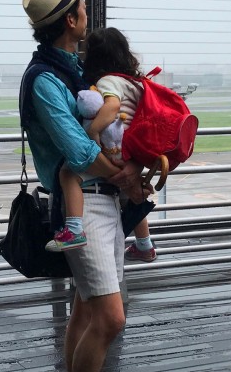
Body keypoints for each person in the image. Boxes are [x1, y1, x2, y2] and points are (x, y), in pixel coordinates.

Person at [20, 0, 151, 372]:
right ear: (69, 19)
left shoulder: (72, 69)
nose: (86, 14)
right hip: (81, 208)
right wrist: (126, 177)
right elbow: (76, 150)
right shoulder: (47, 81)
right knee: (111, 318)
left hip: (104, 204)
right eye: (80, 7)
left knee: (83, 314)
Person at [48, 26, 158, 263]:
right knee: (131, 190)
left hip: (114, 147)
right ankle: (144, 244)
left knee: (68, 174)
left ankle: (74, 229)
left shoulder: (109, 81)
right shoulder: (136, 82)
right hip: (132, 152)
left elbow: (112, 107)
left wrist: (93, 131)